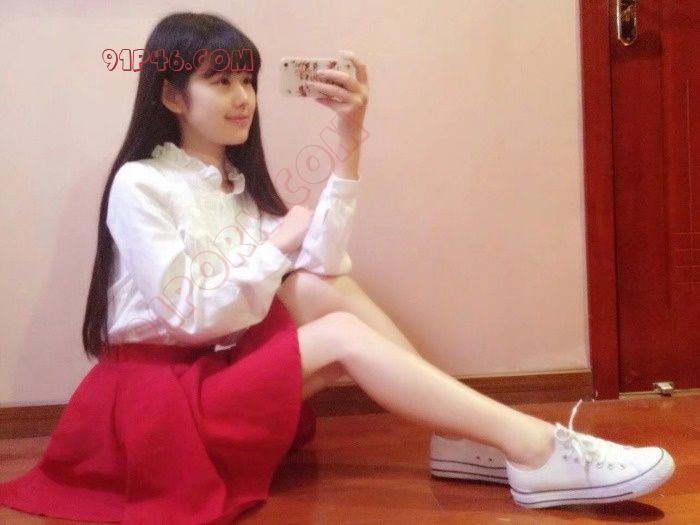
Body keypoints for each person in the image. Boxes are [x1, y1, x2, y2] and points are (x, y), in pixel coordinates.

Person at [0, 11, 674, 524]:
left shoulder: (234, 186)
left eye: (247, 80)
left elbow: (320, 267)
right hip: (155, 406)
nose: (242, 97)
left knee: (325, 289)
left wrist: (349, 138)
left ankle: (460, 436)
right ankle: (537, 449)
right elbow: (189, 315)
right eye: (220, 81)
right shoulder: (142, 184)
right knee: (339, 331)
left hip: (208, 375)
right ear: (173, 97)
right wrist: (276, 245)